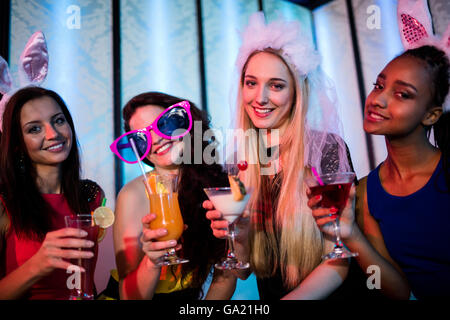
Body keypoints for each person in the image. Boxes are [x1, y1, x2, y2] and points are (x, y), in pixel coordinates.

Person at [204, 12, 354, 300]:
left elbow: (339, 260)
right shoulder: (238, 162)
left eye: (276, 85)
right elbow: (244, 270)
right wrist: (242, 233)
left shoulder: (326, 148)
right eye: (251, 83)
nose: (259, 98)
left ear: (296, 93)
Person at [310, 45, 450, 299]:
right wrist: (351, 234)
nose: (378, 99)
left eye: (402, 94)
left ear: (431, 115)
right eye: (379, 86)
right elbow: (398, 292)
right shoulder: (364, 191)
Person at [112, 91, 237, 300]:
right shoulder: (133, 195)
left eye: (164, 124)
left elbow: (227, 274)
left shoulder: (216, 186)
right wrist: (151, 262)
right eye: (142, 137)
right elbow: (129, 296)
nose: (156, 139)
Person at [0, 86, 104, 299]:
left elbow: (84, 281)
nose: (53, 134)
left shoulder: (91, 195)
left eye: (58, 121)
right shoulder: (4, 202)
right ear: (18, 144)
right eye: (34, 129)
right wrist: (38, 264)